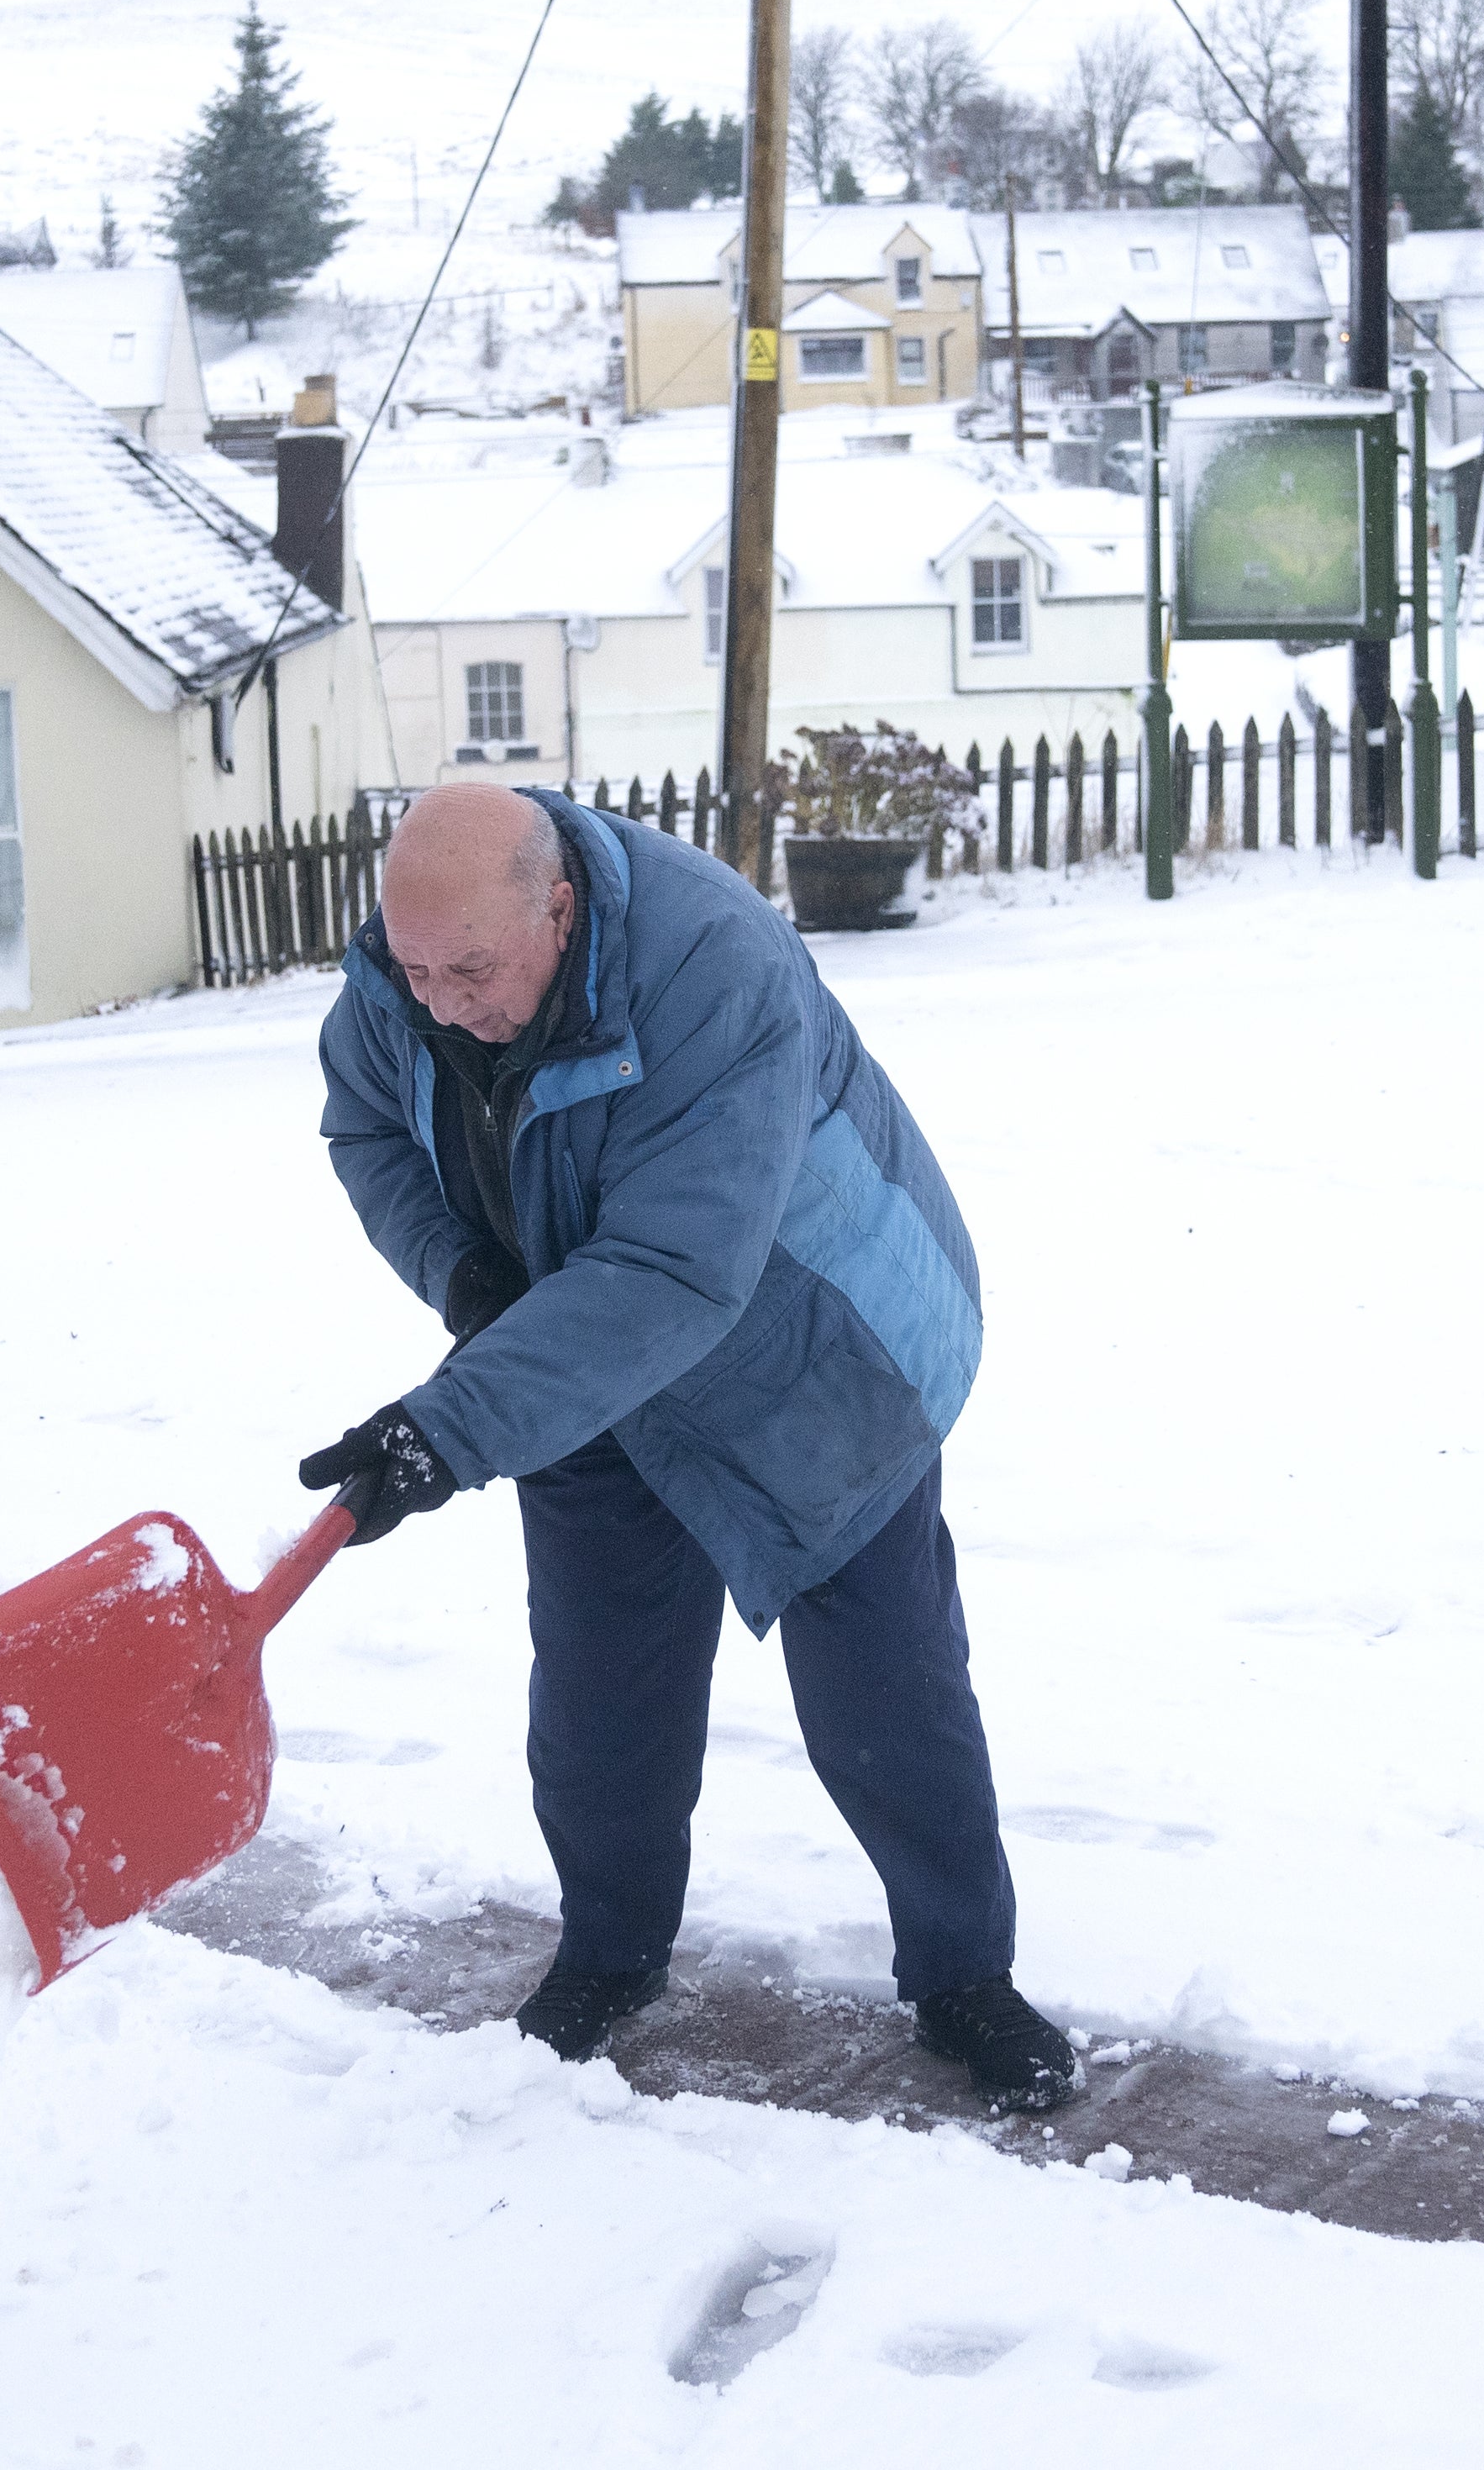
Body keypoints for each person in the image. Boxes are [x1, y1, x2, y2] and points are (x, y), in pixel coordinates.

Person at [303, 779, 1076, 2111]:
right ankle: (609, 1952)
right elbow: (366, 1128)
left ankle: (965, 1975)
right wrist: (472, 1279)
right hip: (576, 1356)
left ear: (557, 907)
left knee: (884, 1691)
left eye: (469, 971)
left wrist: (455, 1423)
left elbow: (673, 1270)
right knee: (602, 1693)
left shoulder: (715, 968)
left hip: (811, 1348)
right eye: (412, 968)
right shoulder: (405, 976)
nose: (437, 1003)